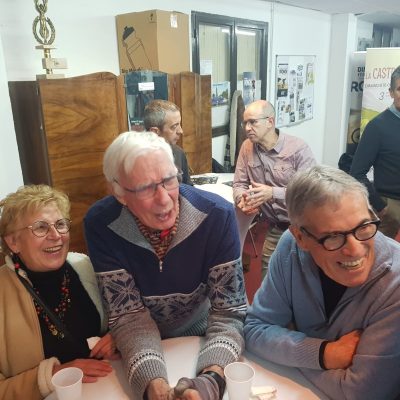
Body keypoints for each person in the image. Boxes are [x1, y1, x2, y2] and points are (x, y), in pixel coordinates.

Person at [84, 131, 247, 400]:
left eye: (169, 180)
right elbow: (129, 317)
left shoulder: (217, 216)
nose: (164, 199)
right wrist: (154, 388)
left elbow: (229, 312)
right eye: (145, 188)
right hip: (137, 343)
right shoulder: (101, 225)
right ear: (120, 193)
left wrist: (209, 382)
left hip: (204, 333)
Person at [245, 165, 400, 400]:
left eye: (363, 226)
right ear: (300, 237)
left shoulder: (395, 284)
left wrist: (286, 350)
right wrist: (323, 354)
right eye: (334, 236)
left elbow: (361, 392)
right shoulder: (290, 248)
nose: (355, 249)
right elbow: (255, 329)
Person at [0, 184, 119, 400]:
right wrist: (51, 376)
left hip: (110, 389)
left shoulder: (85, 266)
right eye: (41, 228)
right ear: (13, 241)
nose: (56, 236)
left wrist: (118, 335)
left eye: (61, 224)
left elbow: (124, 315)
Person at [233, 99, 315, 277]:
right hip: (275, 229)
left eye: (253, 122)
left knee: (306, 279)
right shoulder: (246, 148)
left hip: (306, 228)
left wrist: (272, 193)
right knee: (268, 280)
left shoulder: (298, 149)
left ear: (270, 122)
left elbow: (311, 192)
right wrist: (242, 199)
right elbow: (239, 184)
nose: (247, 128)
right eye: (245, 123)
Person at [350, 65, 400, 239]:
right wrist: (381, 206)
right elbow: (357, 173)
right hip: (391, 207)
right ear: (391, 92)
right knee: (381, 254)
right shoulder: (377, 127)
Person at [144, 99, 193, 185]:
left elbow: (188, 187)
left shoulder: (178, 152)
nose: (181, 131)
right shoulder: (138, 161)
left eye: (179, 124)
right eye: (174, 127)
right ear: (154, 132)